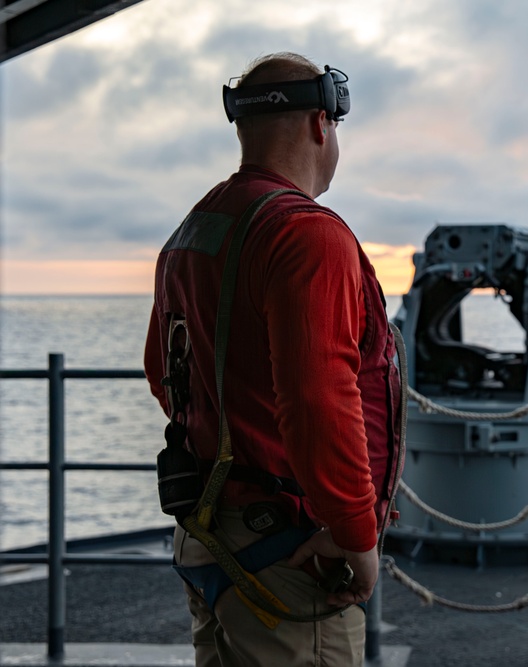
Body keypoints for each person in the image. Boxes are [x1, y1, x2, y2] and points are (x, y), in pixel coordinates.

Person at [144, 52, 403, 667]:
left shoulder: (193, 231)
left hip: (208, 539)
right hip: (288, 550)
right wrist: (354, 535)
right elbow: (319, 403)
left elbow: (164, 374)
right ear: (321, 124)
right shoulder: (307, 235)